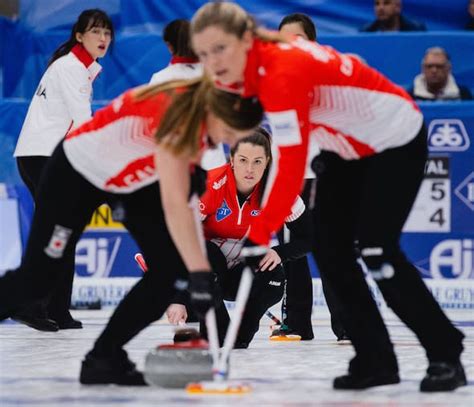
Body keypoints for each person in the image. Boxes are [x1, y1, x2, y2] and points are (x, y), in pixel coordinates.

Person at [189, 1, 466, 392]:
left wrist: (262, 229)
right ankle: (375, 359)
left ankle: (444, 353)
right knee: (330, 250)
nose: (212, 61)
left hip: (394, 138)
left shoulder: (282, 70)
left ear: (245, 39)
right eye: (203, 53)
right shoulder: (251, 70)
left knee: (376, 249)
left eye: (219, 49)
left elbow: (288, 164)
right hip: (344, 144)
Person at [0, 77, 264, 385]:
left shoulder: (200, 125)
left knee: (170, 272)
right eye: (232, 132)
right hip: (76, 171)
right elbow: (175, 203)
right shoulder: (179, 119)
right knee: (38, 280)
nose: (230, 140)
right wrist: (201, 272)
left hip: (128, 181)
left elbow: (187, 201)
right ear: (220, 112)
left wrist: (196, 270)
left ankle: (104, 357)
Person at [11, 9, 114, 332]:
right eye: (96, 32)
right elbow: (83, 122)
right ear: (79, 35)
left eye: (107, 33)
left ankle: (57, 307)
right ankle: (30, 305)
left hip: (45, 156)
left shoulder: (77, 67)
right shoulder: (72, 68)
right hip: (40, 155)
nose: (103, 39)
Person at [167, 128, 312, 347]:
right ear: (232, 159)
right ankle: (215, 332)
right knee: (206, 253)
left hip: (243, 271)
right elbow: (180, 239)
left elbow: (312, 236)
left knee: (274, 276)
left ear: (268, 162)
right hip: (206, 271)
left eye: (257, 161)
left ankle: (240, 338)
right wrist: (178, 298)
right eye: (243, 160)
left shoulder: (280, 189)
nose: (250, 169)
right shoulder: (209, 185)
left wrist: (280, 253)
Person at [278, 12, 347, 342]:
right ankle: (297, 322)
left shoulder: (329, 76)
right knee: (293, 254)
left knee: (332, 249)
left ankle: (347, 323)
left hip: (324, 177)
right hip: (290, 180)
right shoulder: (275, 80)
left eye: (298, 39)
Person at [149, 18, 226, 171]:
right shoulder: (215, 74)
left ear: (169, 46)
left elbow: (153, 124)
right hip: (214, 163)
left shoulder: (161, 79)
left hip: (179, 164)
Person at [408, 47, 473, 101]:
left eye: (439, 66)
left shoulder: (463, 94)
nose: (434, 70)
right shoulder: (410, 95)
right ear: (423, 69)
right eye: (429, 66)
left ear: (449, 69)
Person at [360, 0, 426, 32]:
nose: (380, 8)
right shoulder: (366, 31)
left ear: (398, 7)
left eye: (386, 3)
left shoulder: (415, 30)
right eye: (377, 4)